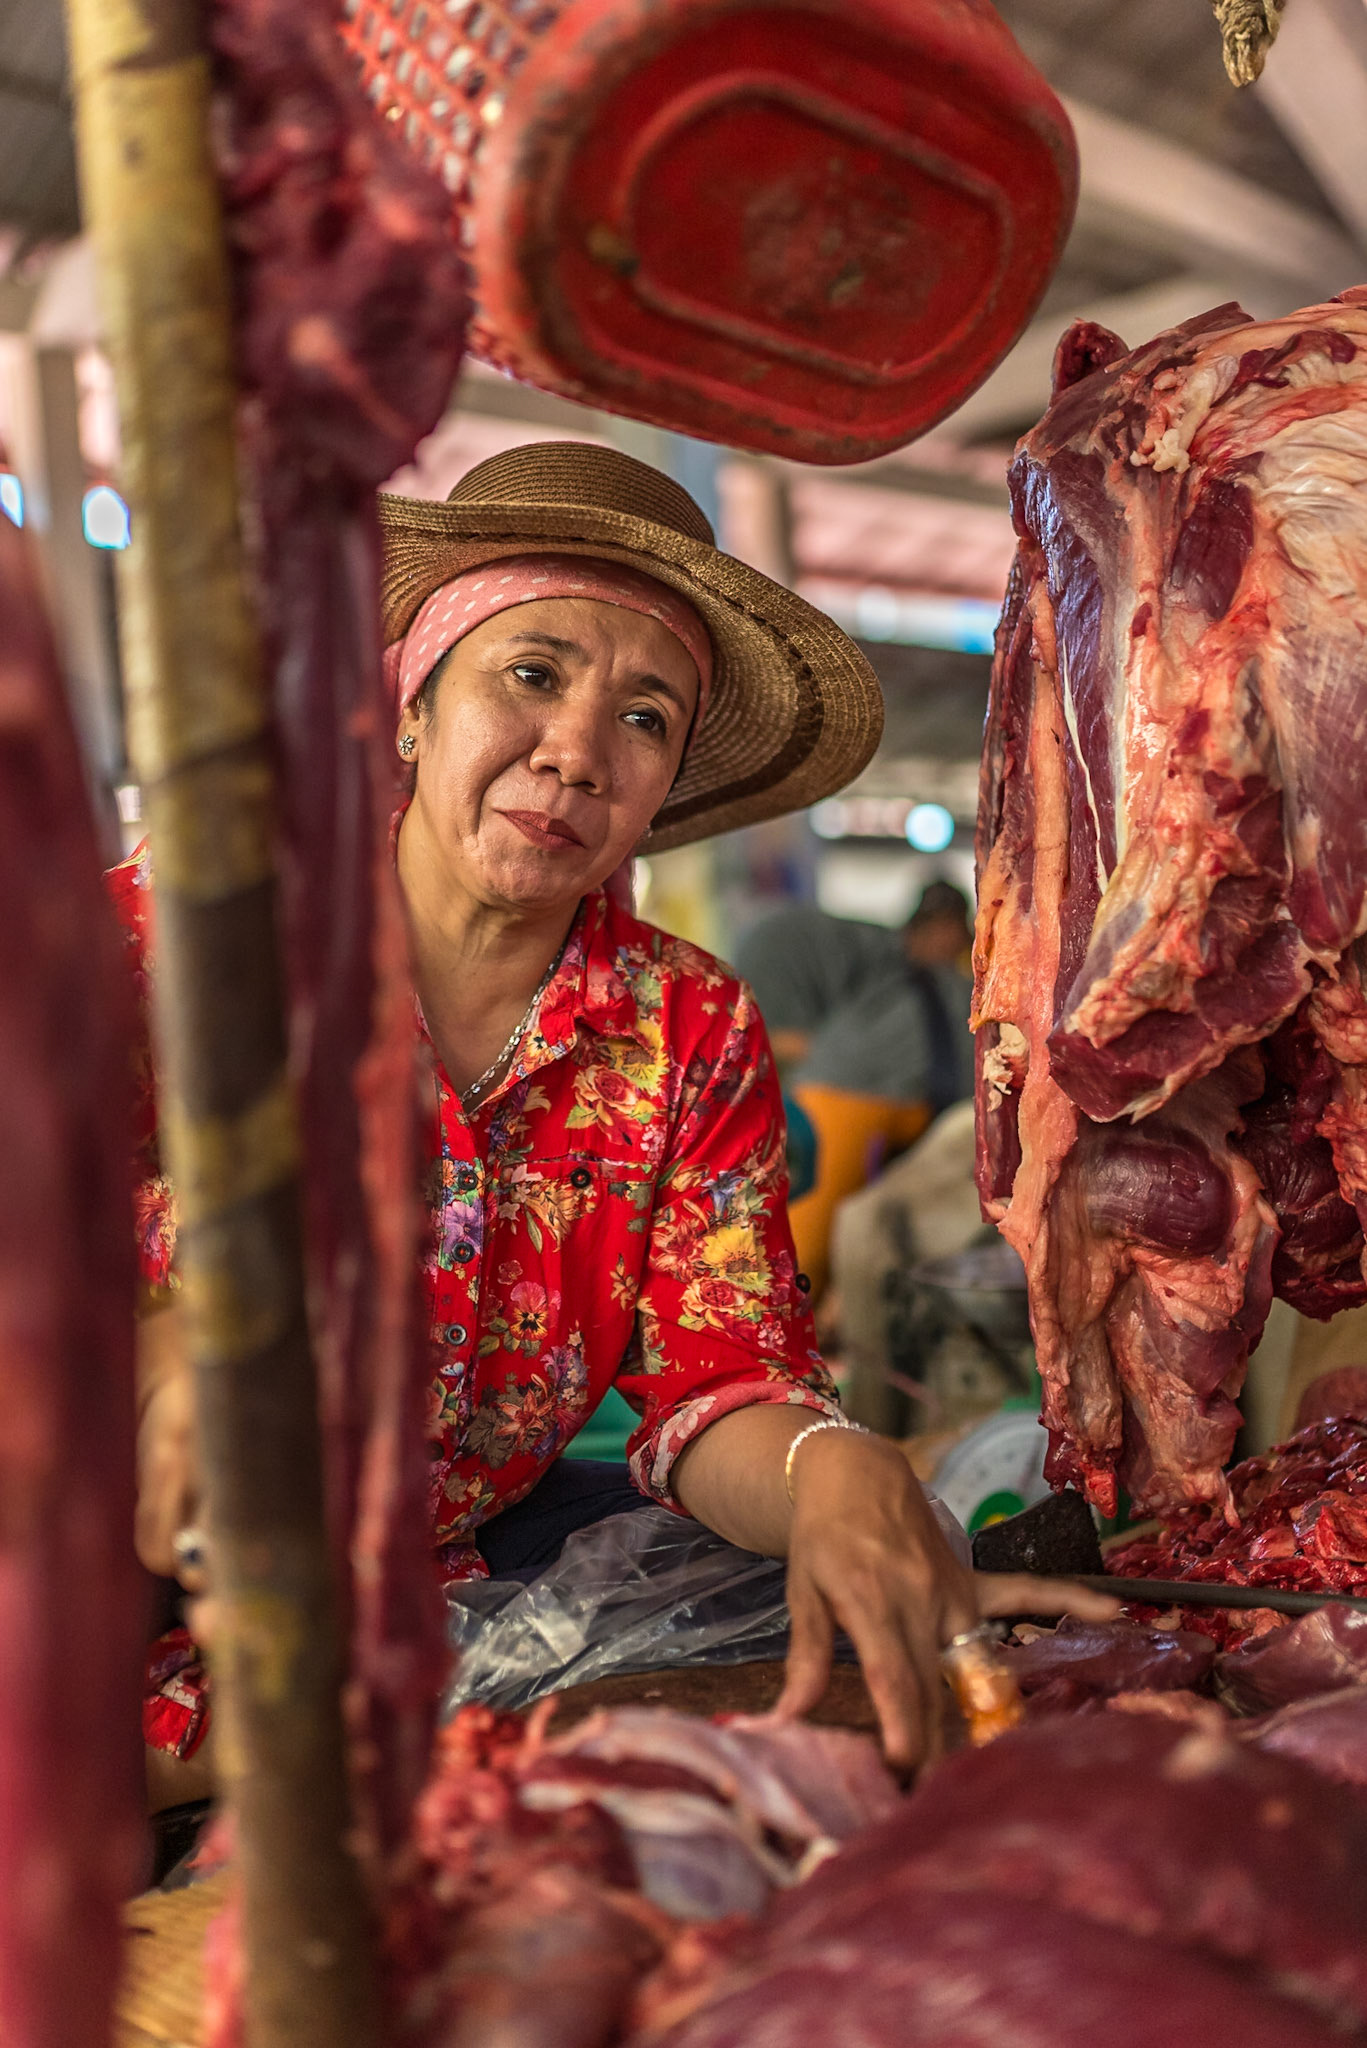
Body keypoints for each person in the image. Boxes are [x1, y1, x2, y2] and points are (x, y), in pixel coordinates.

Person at [120, 442, 1113, 1797]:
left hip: (434, 1591)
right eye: (529, 674)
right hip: (86, 1594)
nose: (578, 751)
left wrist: (828, 1465)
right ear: (412, 700)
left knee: (832, 1617)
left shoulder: (683, 1026)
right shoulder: (152, 948)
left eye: (644, 718)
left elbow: (717, 1384)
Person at [736, 882, 975, 1298]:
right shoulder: (911, 984)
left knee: (811, 1241)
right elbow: (788, 1042)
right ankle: (770, 1337)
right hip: (846, 1091)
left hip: (850, 1090)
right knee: (796, 1259)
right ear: (945, 929)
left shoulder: (898, 974)